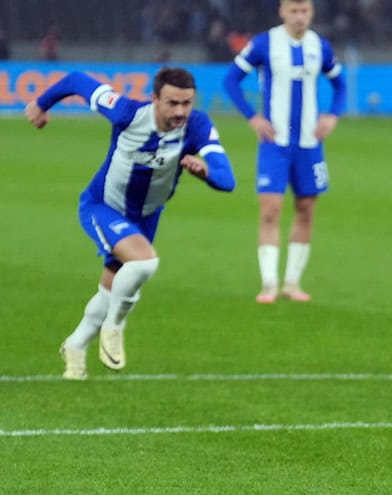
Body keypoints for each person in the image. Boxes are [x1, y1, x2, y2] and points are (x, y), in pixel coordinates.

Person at [25, 67, 236, 380]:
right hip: (103, 207)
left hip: (147, 215)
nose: (180, 111)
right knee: (144, 263)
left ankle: (75, 345)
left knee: (110, 288)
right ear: (154, 99)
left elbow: (227, 178)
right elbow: (76, 80)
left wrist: (206, 173)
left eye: (186, 104)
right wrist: (41, 104)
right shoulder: (126, 113)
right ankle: (115, 326)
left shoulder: (197, 126)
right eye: (172, 103)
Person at [223, 0, 346, 303]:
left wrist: (332, 116)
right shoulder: (264, 43)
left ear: (312, 12)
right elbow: (231, 80)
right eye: (294, 11)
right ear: (282, 12)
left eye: (305, 11)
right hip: (274, 145)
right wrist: (252, 117)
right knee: (270, 210)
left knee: (306, 210)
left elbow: (341, 84)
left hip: (309, 145)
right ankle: (269, 284)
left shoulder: (320, 46)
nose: (300, 17)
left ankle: (292, 283)